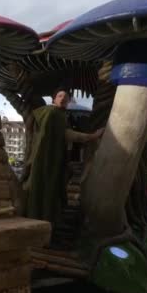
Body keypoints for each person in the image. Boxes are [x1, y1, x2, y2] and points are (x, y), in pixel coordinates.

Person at [22, 87, 103, 223]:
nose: (63, 98)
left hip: (47, 160)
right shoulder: (53, 113)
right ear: (54, 99)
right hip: (47, 161)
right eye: (60, 95)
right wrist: (93, 136)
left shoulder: (52, 114)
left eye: (66, 97)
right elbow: (69, 134)